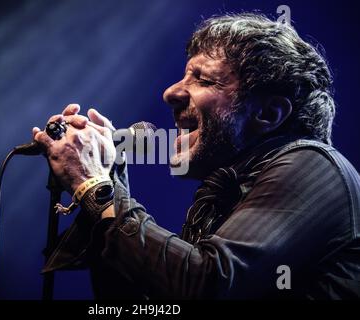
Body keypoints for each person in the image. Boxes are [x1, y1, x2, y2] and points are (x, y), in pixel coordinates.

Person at [32, 13, 360, 299]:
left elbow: (206, 285)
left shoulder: (313, 166)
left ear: (268, 113)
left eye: (203, 79)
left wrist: (96, 189)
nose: (171, 92)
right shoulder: (225, 195)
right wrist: (107, 177)